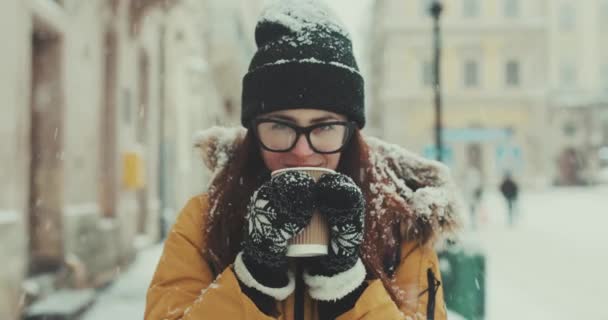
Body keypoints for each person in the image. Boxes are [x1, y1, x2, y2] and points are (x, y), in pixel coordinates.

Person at [144, 1, 461, 319]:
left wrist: (349, 290)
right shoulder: (205, 221)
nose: (301, 151)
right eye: (281, 126)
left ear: (350, 133)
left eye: (324, 127)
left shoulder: (400, 228)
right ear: (254, 130)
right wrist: (252, 281)